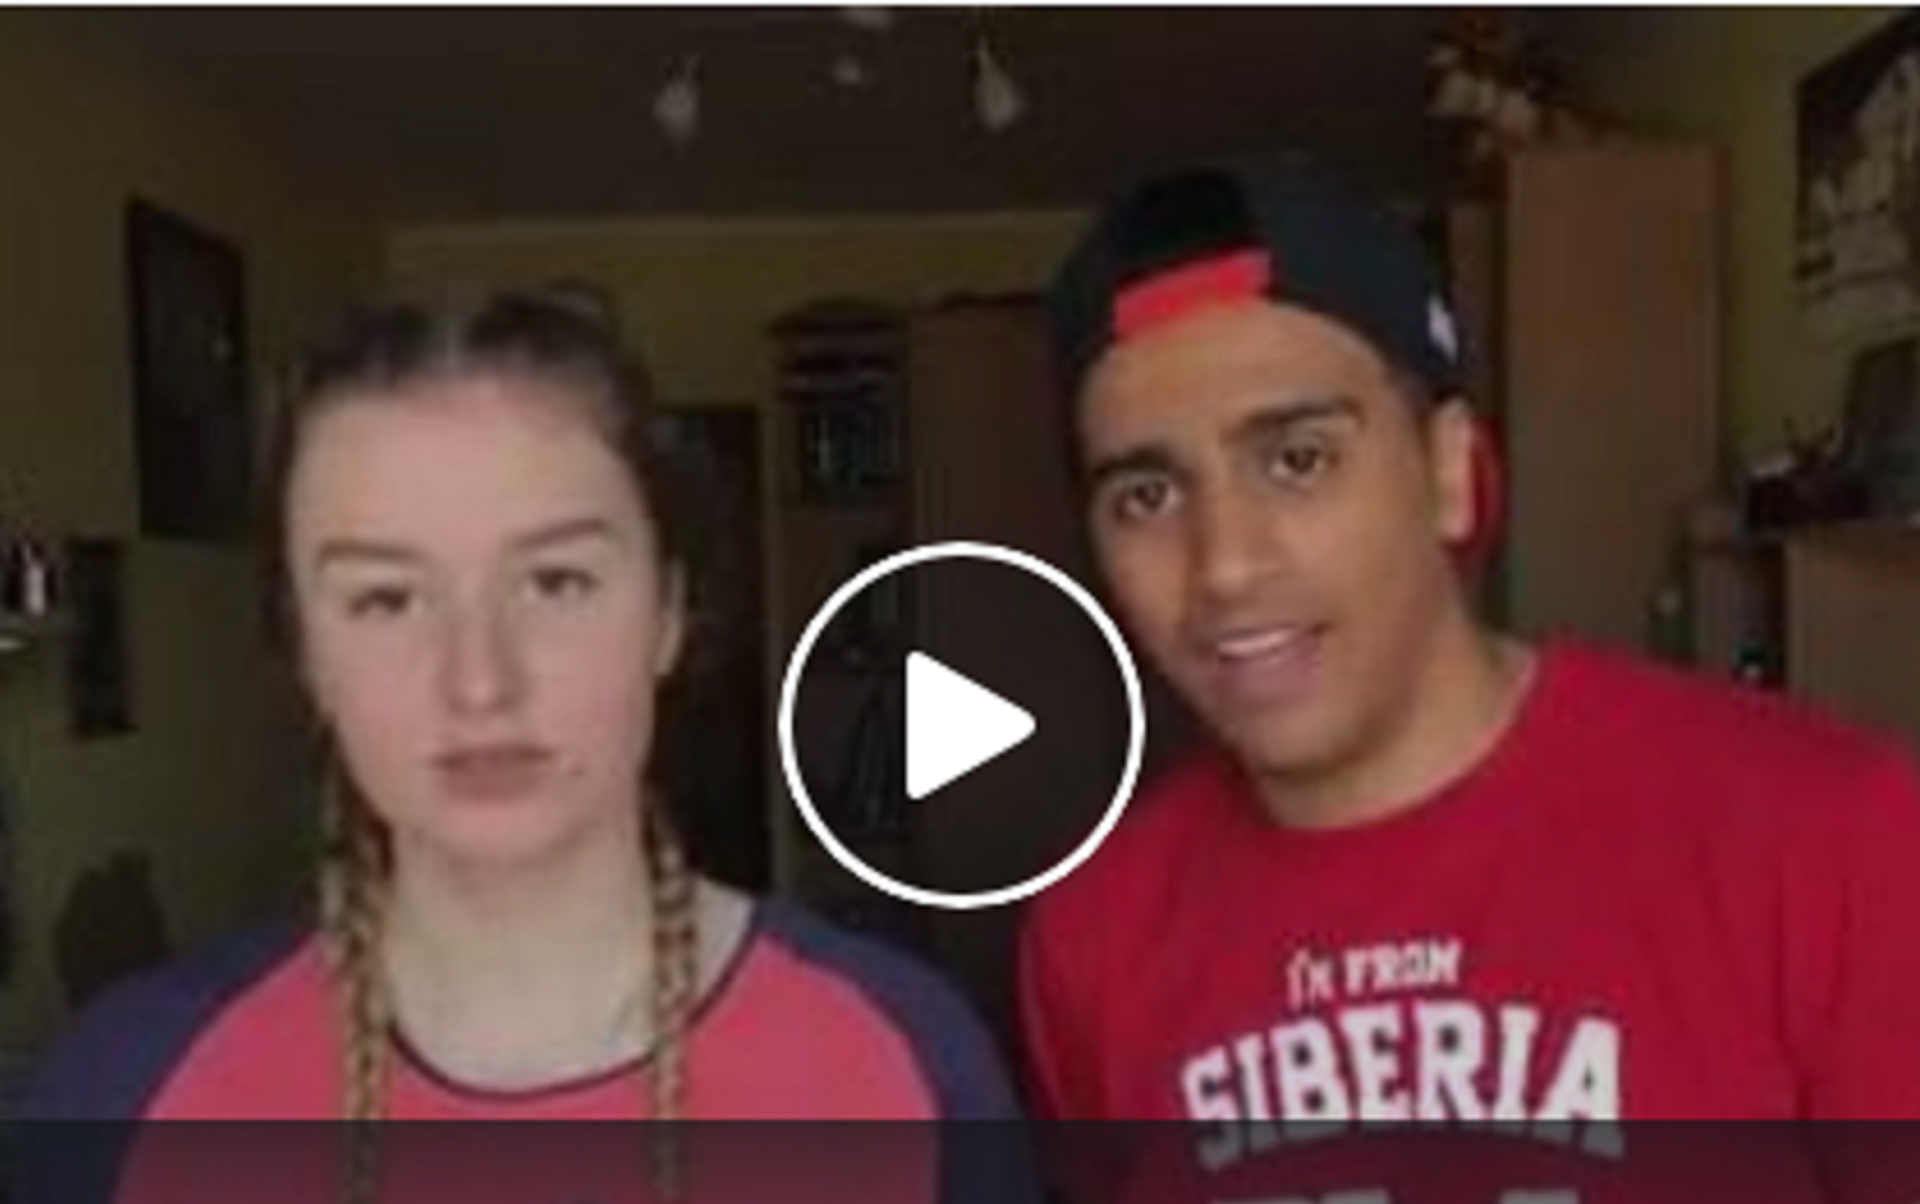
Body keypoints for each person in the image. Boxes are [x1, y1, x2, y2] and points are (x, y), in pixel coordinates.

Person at [1017, 154, 1920, 1201]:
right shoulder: (1093, 937)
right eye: (1146, 496)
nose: (1224, 565)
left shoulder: (1832, 841)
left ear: (1449, 469)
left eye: (1298, 459)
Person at [26, 292, 1027, 1203]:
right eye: (386, 599)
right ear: (306, 652)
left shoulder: (899, 1057)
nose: (479, 682)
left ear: (669, 613)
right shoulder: (124, 1091)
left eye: (556, 583)